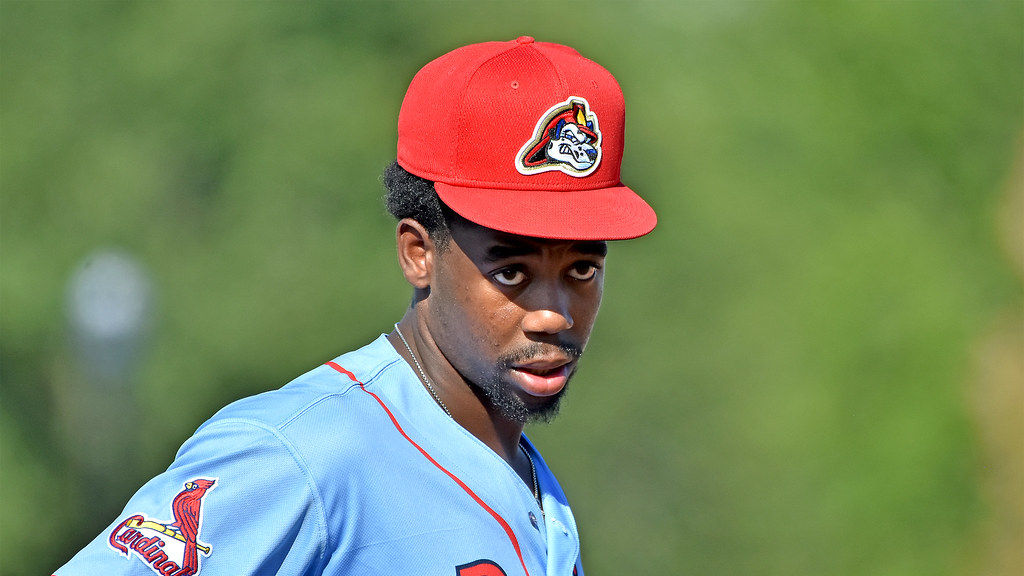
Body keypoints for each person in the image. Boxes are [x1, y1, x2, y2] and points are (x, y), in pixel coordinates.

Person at [54, 36, 656, 576]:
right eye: (511, 271)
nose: (554, 313)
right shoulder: (298, 455)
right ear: (419, 253)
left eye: (582, 269)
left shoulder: (535, 493)